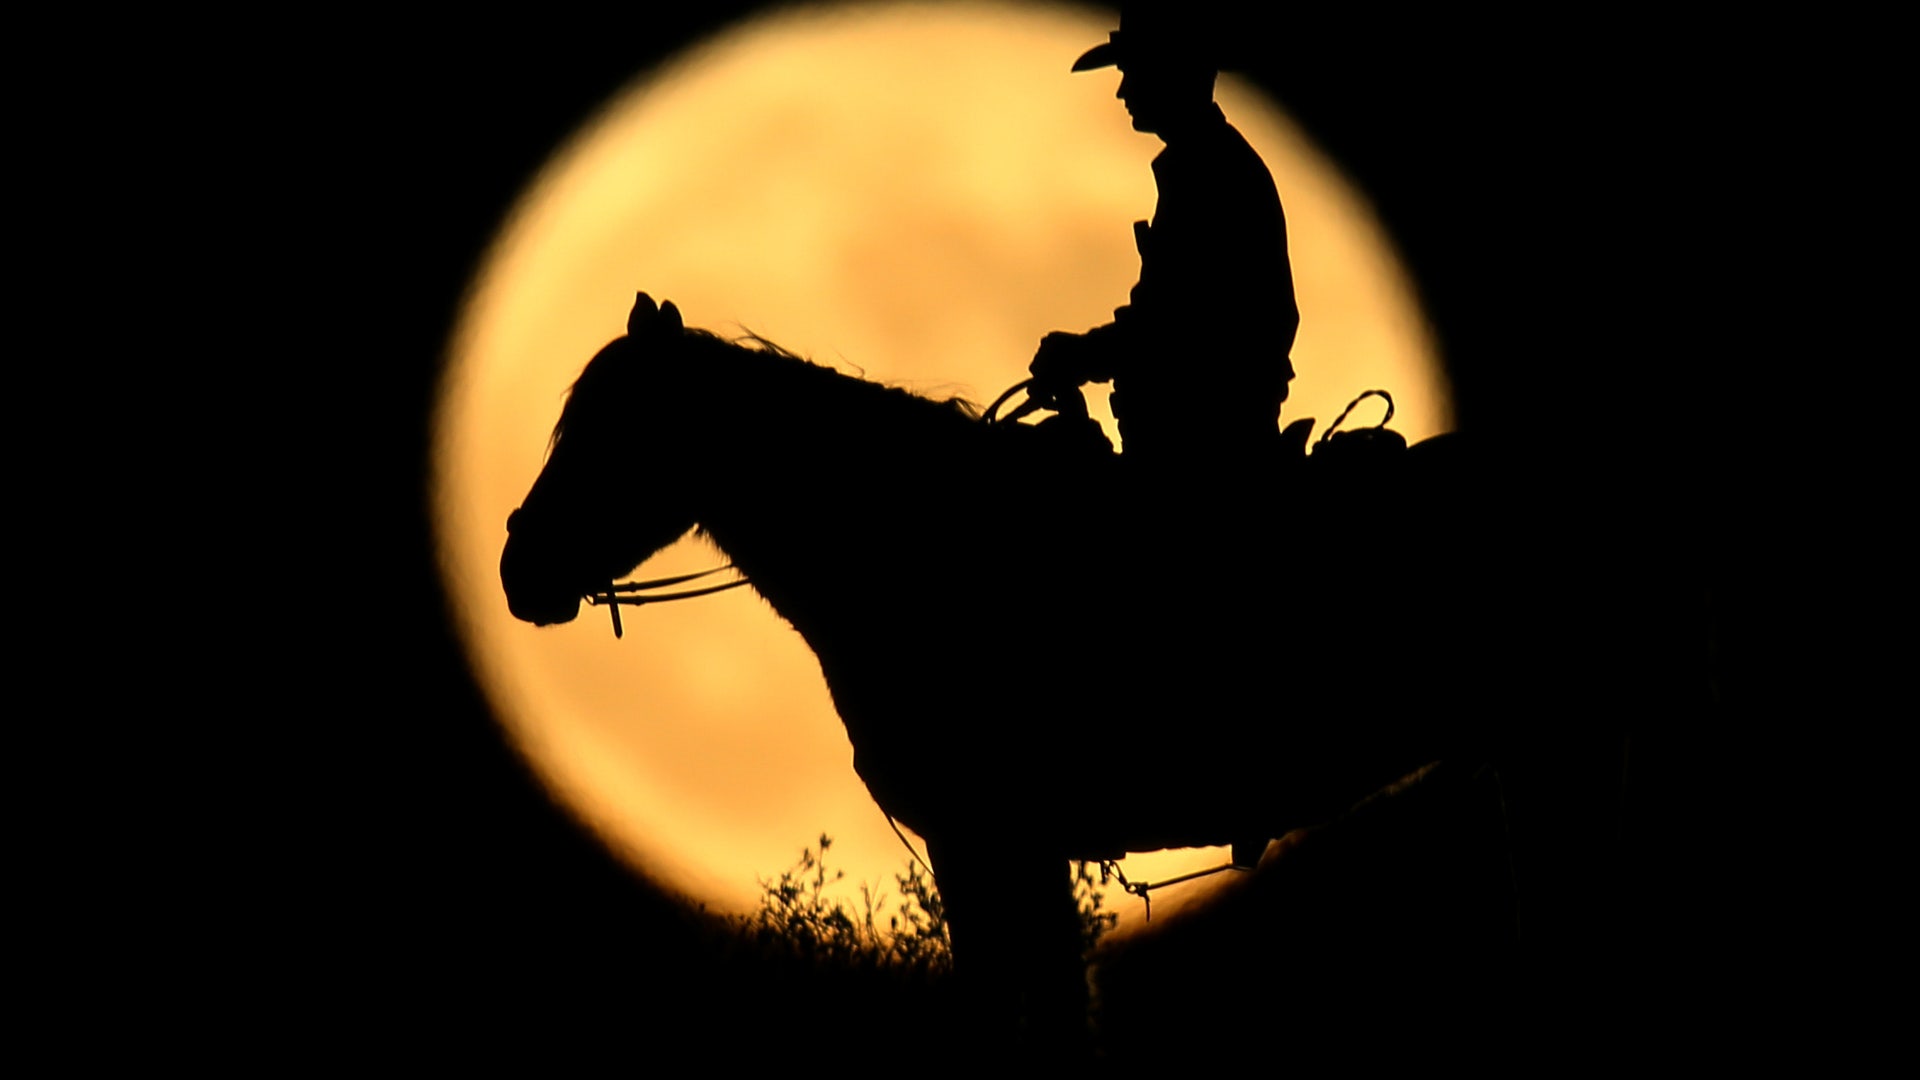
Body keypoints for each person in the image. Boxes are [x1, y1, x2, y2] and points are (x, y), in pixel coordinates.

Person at [1029, 9, 1300, 471]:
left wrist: (1081, 354)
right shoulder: (1208, 168)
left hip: (1197, 453)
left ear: (1174, 73)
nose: (1122, 90)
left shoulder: (1212, 177)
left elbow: (1180, 325)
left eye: (1133, 72)